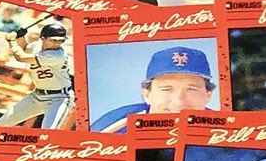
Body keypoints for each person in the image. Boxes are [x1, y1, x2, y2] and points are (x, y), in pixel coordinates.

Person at [0, 22, 74, 158]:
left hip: (59, 98)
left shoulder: (58, 55)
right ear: (43, 38)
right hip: (37, 95)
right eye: (53, 40)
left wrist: (11, 41)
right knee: (1, 123)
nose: (57, 44)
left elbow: (20, 57)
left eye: (60, 41)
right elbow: (24, 48)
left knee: (48, 133)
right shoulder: (37, 46)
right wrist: (21, 37)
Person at [88, 46, 217, 133]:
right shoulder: (113, 127)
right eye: (166, 89)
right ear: (147, 95)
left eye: (191, 89)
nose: (179, 101)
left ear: (208, 95)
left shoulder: (222, 130)